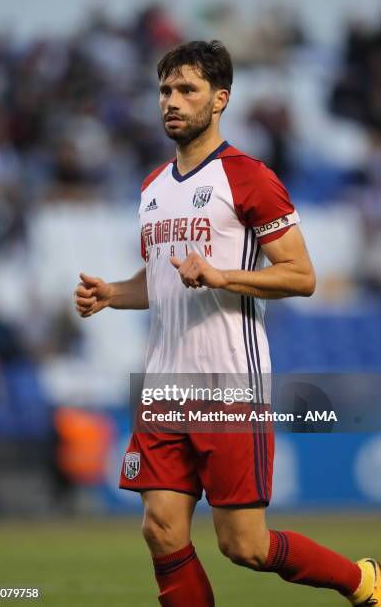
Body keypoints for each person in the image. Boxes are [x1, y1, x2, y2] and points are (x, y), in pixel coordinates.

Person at [74, 40, 380, 607]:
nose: (172, 101)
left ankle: (363, 582)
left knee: (246, 546)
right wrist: (113, 293)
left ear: (220, 100)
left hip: (228, 387)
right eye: (165, 90)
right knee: (160, 529)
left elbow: (301, 275)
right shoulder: (151, 189)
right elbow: (162, 281)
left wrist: (221, 277)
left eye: (187, 90)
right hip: (165, 385)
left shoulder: (248, 178)